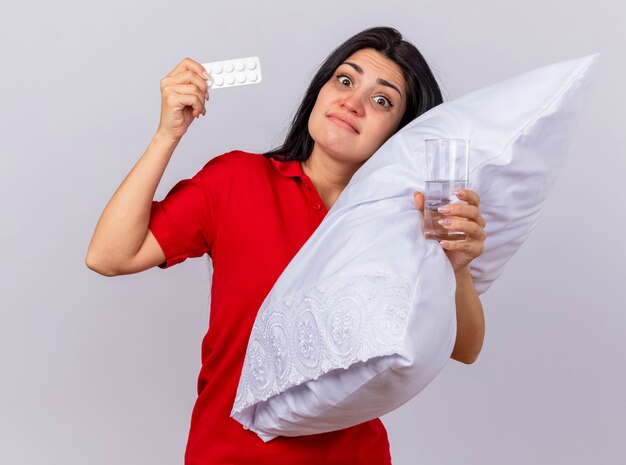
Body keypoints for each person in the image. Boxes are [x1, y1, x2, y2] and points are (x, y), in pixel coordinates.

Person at [86, 26, 486, 465]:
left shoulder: (407, 218)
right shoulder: (236, 181)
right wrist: (167, 134)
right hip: (230, 454)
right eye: (345, 80)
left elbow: (463, 348)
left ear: (400, 132)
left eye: (382, 100)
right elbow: (109, 255)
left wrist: (459, 265)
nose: (352, 102)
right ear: (320, 91)